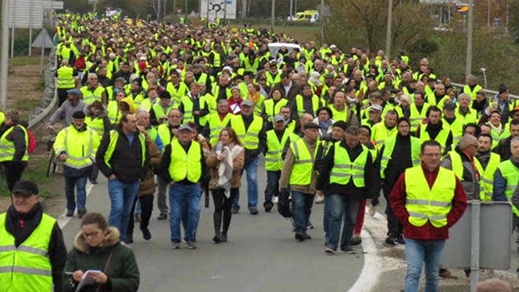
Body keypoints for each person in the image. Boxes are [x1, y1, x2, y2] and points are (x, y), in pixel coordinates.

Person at [390, 140, 467, 292]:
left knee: (432, 275)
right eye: (430, 155)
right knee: (413, 272)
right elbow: (395, 199)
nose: (434, 158)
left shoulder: (450, 176)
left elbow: (460, 203)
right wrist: (406, 220)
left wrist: (448, 221)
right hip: (414, 233)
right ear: (421, 156)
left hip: (438, 233)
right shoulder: (409, 174)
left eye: (437, 155)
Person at [316, 126, 377, 254]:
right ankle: (332, 244)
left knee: (351, 218)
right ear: (345, 136)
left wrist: (372, 193)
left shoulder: (365, 151)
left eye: (356, 140)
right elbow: (326, 166)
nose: (353, 142)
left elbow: (370, 173)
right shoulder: (336, 148)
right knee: (336, 214)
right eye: (351, 139)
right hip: (337, 186)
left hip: (356, 189)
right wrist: (319, 186)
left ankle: (346, 244)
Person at [0, 180, 67, 292]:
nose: (20, 200)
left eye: (25, 196)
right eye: (17, 195)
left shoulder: (49, 225)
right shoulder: (0, 221)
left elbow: (60, 266)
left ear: (36, 198)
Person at [96, 113, 149, 243]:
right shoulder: (112, 135)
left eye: (136, 121)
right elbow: (100, 156)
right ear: (124, 123)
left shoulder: (141, 137)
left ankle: (122, 238)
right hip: (117, 180)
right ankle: (111, 238)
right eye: (132, 122)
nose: (135, 124)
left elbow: (145, 158)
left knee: (127, 210)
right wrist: (109, 173)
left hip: (133, 180)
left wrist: (141, 175)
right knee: (118, 208)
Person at [157, 124, 208, 249]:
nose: (185, 135)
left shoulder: (197, 147)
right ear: (178, 135)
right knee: (176, 214)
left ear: (192, 135)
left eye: (187, 133)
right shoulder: (171, 147)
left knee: (195, 210)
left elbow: (203, 165)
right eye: (182, 133)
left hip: (193, 185)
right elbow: (162, 167)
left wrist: (202, 180)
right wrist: (169, 180)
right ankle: (175, 239)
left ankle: (189, 237)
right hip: (177, 185)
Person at [62, 212, 139, 292]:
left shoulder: (123, 252)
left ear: (105, 231)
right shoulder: (75, 253)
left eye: (94, 234)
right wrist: (74, 281)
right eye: (86, 235)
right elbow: (64, 285)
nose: (90, 238)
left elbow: (133, 284)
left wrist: (107, 281)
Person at [378, 117, 421, 246]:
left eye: (406, 126)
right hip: (391, 180)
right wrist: (380, 178)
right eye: (401, 126)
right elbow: (381, 159)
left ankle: (401, 232)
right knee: (392, 207)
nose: (404, 128)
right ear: (397, 127)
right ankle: (392, 233)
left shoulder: (416, 142)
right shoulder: (389, 141)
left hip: (410, 181)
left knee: (406, 207)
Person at [54, 111, 100, 218]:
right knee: (69, 190)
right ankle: (70, 208)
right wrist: (61, 153)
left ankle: (81, 208)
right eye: (76, 120)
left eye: (80, 120)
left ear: (84, 120)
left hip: (84, 166)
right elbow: (58, 144)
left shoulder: (91, 133)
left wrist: (91, 159)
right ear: (72, 120)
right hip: (69, 165)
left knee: (81, 188)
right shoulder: (65, 132)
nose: (78, 123)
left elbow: (96, 147)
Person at [279, 122, 320, 241]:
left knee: (307, 207)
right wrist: (283, 184)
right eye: (313, 131)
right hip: (298, 182)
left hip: (312, 182)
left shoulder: (321, 146)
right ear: (305, 132)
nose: (316, 133)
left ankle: (304, 228)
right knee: (298, 206)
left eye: (317, 131)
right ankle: (300, 229)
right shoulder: (296, 145)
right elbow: (287, 166)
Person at [125, 122, 162, 243]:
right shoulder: (125, 142)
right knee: (129, 208)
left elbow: (158, 157)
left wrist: (145, 161)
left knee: (147, 207)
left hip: (146, 179)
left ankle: (144, 225)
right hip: (130, 179)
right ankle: (128, 232)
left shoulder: (148, 142)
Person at [206, 128, 244, 243]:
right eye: (221, 135)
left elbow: (239, 165)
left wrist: (227, 161)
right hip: (216, 182)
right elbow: (208, 163)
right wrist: (217, 159)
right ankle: (217, 233)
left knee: (227, 208)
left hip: (232, 183)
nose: (223, 137)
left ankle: (224, 232)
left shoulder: (238, 149)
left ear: (231, 137)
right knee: (218, 207)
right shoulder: (215, 148)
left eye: (226, 135)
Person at [229, 99, 266, 214]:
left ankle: (252, 205)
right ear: (241, 107)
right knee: (235, 180)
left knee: (252, 179)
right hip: (237, 156)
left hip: (252, 156)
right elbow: (227, 136)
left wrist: (258, 150)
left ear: (253, 108)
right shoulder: (233, 119)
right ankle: (234, 205)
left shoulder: (259, 120)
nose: (246, 109)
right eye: (244, 107)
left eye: (248, 107)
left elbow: (263, 138)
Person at [263, 115, 291, 212]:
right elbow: (264, 146)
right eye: (277, 122)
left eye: (281, 122)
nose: (279, 124)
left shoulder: (289, 134)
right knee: (271, 184)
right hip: (272, 164)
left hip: (285, 164)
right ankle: (268, 203)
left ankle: (283, 202)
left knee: (285, 185)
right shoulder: (268, 134)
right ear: (274, 123)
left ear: (284, 123)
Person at [0, 110, 29, 191]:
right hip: (11, 161)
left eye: (6, 118)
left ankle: (17, 202)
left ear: (10, 119)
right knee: (13, 186)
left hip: (13, 161)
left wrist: (16, 160)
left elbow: (20, 145)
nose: (4, 120)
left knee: (14, 187)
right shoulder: (11, 129)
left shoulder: (16, 130)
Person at [476, 133, 501, 201]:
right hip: (475, 198)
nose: (482, 145)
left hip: (491, 199)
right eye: (480, 142)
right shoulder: (471, 157)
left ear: (491, 145)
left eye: (486, 143)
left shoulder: (497, 158)